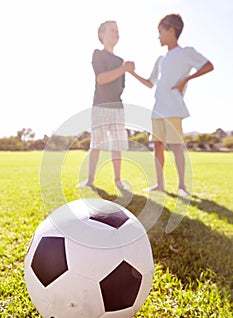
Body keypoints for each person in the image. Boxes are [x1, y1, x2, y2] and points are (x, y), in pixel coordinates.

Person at [131, 14, 214, 195]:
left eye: (160, 32)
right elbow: (150, 82)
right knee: (158, 147)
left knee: (176, 146)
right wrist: (132, 72)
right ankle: (160, 185)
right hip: (158, 109)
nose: (158, 36)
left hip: (173, 108)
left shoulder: (186, 52)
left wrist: (186, 79)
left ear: (171, 30)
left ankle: (182, 186)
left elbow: (208, 66)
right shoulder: (160, 60)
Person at [77, 20, 134, 190]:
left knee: (117, 145)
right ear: (102, 34)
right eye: (112, 30)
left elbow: (122, 86)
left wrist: (123, 70)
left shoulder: (120, 60)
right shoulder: (98, 54)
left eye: (118, 30)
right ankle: (90, 180)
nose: (116, 33)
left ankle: (118, 180)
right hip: (100, 106)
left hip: (117, 107)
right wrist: (124, 69)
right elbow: (101, 79)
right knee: (96, 144)